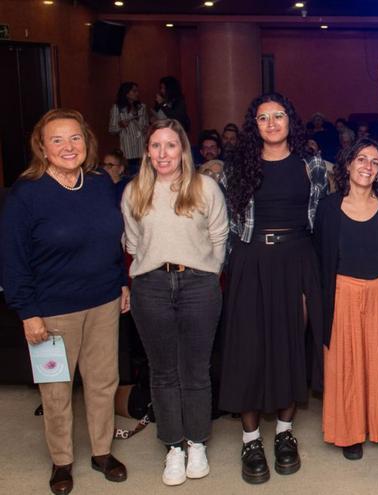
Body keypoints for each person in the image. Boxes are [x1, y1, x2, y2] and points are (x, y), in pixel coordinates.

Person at [1, 108, 129, 495]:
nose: (67, 147)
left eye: (75, 138)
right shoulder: (27, 194)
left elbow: (112, 239)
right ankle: (62, 461)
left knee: (103, 382)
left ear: (86, 142)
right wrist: (28, 312)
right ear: (42, 146)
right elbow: (13, 258)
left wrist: (122, 282)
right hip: (52, 310)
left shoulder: (98, 183)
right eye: (56, 140)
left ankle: (102, 452)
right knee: (57, 389)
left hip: (104, 300)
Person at [218, 92, 327, 484]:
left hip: (297, 260)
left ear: (289, 120)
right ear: (255, 126)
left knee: (288, 346)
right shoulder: (237, 165)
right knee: (250, 349)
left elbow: (324, 213)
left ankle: (284, 433)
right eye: (263, 118)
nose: (271, 123)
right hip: (251, 260)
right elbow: (225, 221)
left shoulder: (311, 163)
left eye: (278, 115)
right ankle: (250, 439)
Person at [122, 119, 229, 486]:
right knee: (163, 370)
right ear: (147, 152)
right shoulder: (134, 191)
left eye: (171, 145)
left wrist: (206, 274)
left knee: (195, 370)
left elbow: (219, 237)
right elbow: (133, 244)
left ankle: (197, 442)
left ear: (183, 149)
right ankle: (174, 447)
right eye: (155, 146)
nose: (163, 153)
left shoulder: (206, 187)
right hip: (150, 285)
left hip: (199, 284)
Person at [314, 137, 378, 461]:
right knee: (346, 364)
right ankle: (349, 430)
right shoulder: (327, 208)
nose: (367, 166)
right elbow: (320, 257)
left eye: (374, 162)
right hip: (342, 293)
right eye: (361, 159)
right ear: (347, 164)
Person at [109, 81, 149, 175]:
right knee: (130, 176)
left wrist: (147, 129)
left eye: (137, 91)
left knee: (143, 175)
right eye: (134, 91)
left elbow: (146, 125)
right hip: (128, 150)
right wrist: (120, 125)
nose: (137, 94)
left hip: (141, 147)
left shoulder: (142, 107)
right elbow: (112, 129)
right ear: (126, 93)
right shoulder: (117, 108)